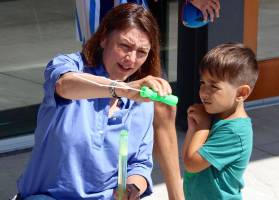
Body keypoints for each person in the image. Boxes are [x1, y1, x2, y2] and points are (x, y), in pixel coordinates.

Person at [17, 3, 174, 200]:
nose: (131, 59)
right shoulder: (70, 65)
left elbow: (140, 164)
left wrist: (133, 187)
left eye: (141, 52)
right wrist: (122, 90)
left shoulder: (142, 99)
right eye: (124, 46)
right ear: (103, 38)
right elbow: (64, 86)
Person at [75, 1, 220, 199]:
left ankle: (175, 196)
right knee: (94, 97)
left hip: (131, 12)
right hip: (102, 11)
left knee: (161, 104)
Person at [182, 43, 259, 200]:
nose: (204, 91)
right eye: (203, 83)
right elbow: (187, 158)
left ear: (241, 93)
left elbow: (192, 164)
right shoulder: (216, 115)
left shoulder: (234, 132)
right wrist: (193, 128)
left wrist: (202, 126)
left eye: (214, 86)